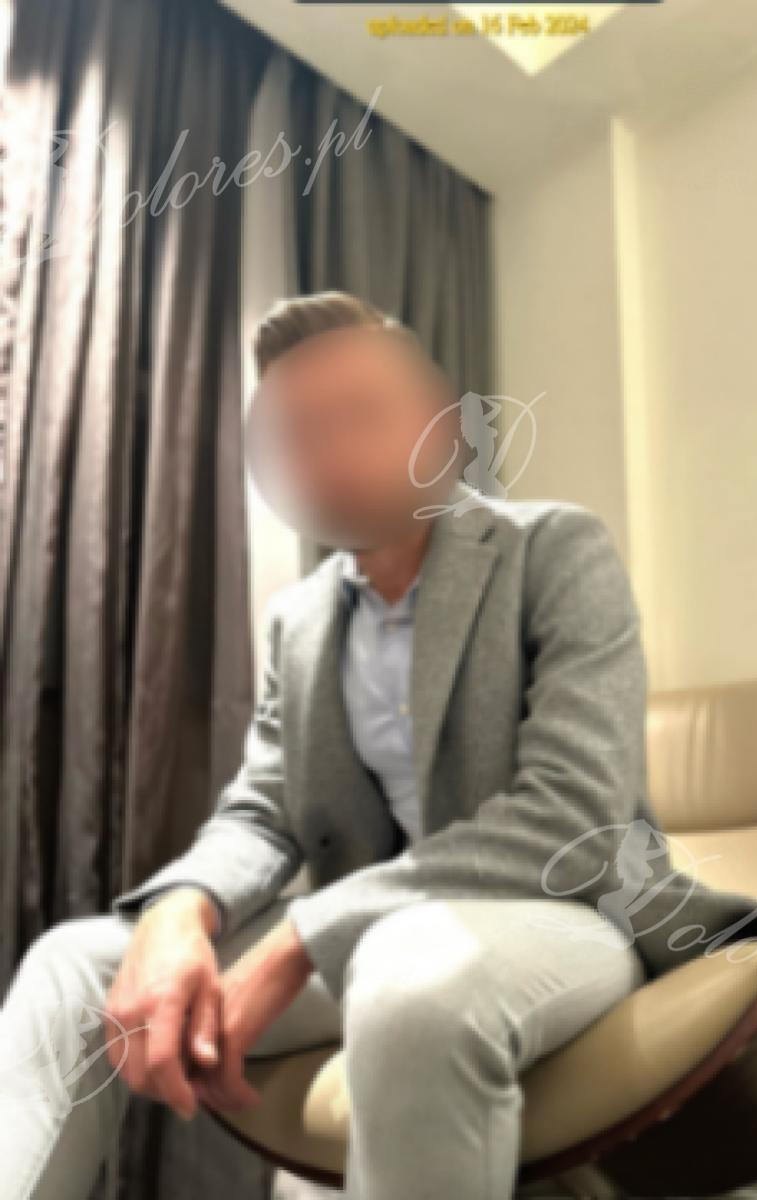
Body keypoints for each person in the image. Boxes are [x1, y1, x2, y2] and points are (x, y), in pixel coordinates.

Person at [0, 291, 653, 1199]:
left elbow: (571, 820)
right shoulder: (300, 618)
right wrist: (179, 910)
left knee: (407, 973)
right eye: (298, 433)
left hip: (560, 914)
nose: (330, 453)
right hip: (370, 934)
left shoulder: (553, 549)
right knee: (73, 965)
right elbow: (263, 810)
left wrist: (300, 937)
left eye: (361, 415)